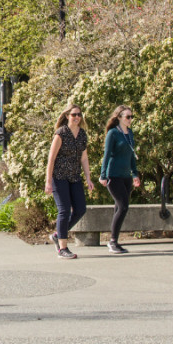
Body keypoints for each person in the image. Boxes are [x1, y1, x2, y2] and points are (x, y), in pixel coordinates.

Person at [45, 105, 95, 259]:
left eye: (79, 114)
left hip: (74, 177)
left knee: (80, 209)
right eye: (74, 114)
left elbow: (84, 158)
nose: (77, 117)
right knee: (64, 210)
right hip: (59, 177)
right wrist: (48, 181)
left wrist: (88, 178)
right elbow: (51, 158)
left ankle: (57, 235)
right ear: (67, 116)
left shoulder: (82, 135)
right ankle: (63, 248)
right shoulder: (61, 133)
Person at [99, 105, 141, 255]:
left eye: (131, 117)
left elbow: (131, 155)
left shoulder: (129, 133)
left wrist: (135, 174)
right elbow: (107, 155)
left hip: (126, 176)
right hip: (114, 175)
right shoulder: (113, 133)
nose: (130, 119)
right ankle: (112, 241)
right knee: (123, 206)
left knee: (119, 207)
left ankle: (115, 241)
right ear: (119, 118)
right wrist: (103, 175)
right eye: (127, 117)